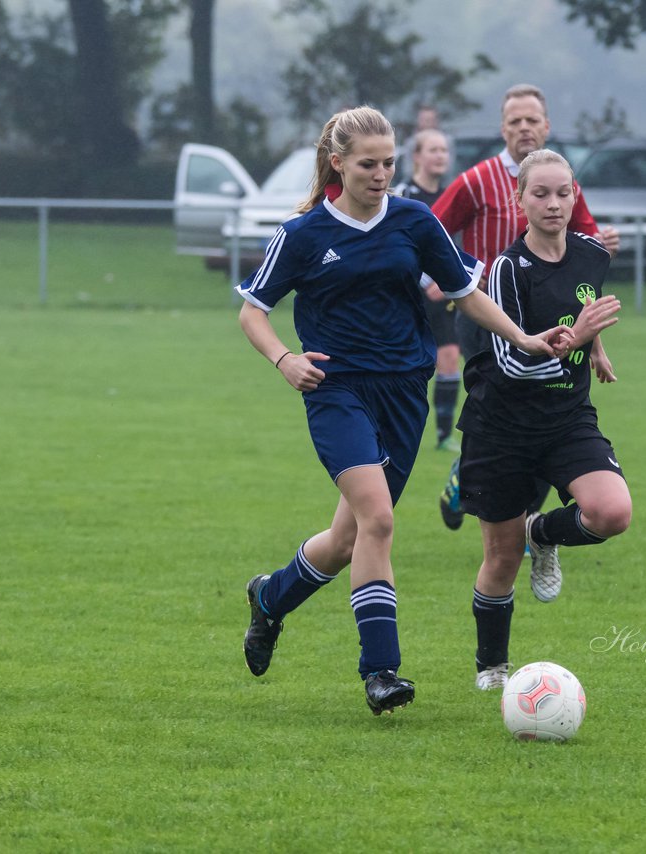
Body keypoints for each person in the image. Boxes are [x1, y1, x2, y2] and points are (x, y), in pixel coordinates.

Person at [236, 106, 571, 716]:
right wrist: (286, 361)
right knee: (380, 522)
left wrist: (522, 338)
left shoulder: (414, 222)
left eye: (390, 162)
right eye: (369, 164)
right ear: (337, 163)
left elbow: (467, 292)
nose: (382, 174)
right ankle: (381, 672)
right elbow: (252, 310)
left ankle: (269, 599)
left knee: (345, 539)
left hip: (403, 395)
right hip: (336, 392)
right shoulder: (304, 233)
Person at [455, 149, 630, 690]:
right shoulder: (507, 269)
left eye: (562, 193)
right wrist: (575, 339)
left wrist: (593, 347)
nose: (553, 204)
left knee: (611, 513)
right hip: (501, 427)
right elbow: (509, 364)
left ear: (575, 196)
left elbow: (584, 303)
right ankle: (492, 666)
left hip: (566, 417)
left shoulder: (590, 254)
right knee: (501, 558)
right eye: (540, 194)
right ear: (519, 200)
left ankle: (543, 531)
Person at [431, 83, 620, 532]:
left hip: (554, 320)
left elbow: (586, 271)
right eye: (514, 121)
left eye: (531, 120)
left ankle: (531, 521)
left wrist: (593, 342)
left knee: (547, 414)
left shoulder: (558, 179)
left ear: (546, 126)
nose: (524, 128)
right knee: (502, 409)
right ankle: (472, 475)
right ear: (503, 129)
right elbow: (432, 231)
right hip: (487, 315)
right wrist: (458, 278)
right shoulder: (476, 180)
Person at [395, 128, 463, 451]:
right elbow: (397, 242)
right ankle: (398, 427)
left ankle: (443, 435)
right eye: (433, 150)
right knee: (410, 364)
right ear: (417, 156)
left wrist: (448, 282)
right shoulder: (404, 194)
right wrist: (426, 280)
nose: (440, 156)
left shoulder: (452, 195)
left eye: (444, 151)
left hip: (444, 294)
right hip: (409, 294)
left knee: (450, 358)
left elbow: (454, 246)